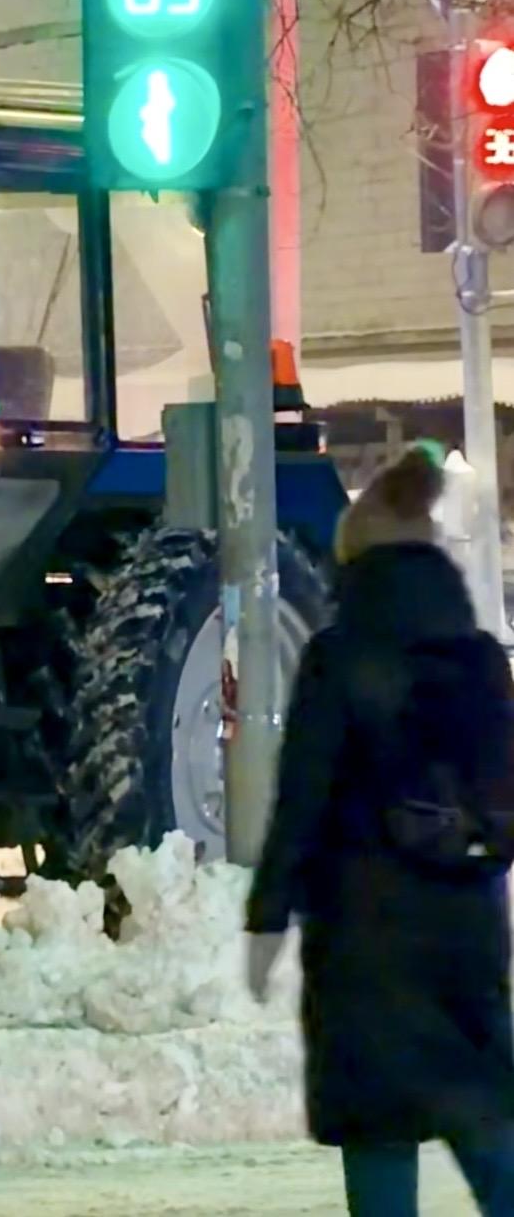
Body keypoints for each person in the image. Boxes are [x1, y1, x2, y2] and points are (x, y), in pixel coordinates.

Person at [246, 448, 514, 1217]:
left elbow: (299, 801)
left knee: (379, 1137)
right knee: (485, 1125)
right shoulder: (479, 661)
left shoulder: (337, 658)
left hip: (363, 943)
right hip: (465, 931)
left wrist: (266, 917)